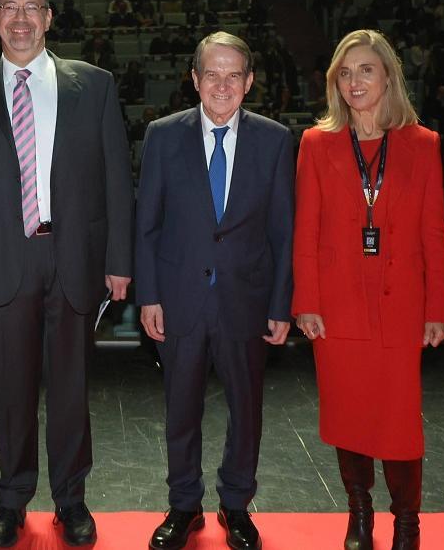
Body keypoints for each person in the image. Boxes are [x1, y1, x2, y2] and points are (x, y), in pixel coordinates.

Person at [0, 0, 134, 548]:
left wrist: (119, 259)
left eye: (33, 8)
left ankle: (71, 498)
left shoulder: (96, 85)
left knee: (71, 388)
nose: (21, 19)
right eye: (10, 8)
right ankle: (10, 498)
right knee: (9, 388)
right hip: (5, 259)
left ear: (50, 18)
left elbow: (115, 178)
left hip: (77, 258)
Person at [292, 30, 444, 550]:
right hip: (335, 309)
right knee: (348, 414)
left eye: (366, 70)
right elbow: (306, 231)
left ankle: (407, 522)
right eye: (345, 71)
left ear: (388, 77)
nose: (355, 81)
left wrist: (438, 308)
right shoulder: (316, 143)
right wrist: (306, 302)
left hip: (401, 307)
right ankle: (359, 516)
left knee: (400, 423)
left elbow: (435, 232)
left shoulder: (423, 143)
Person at [135, 32, 293, 550]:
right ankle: (183, 505)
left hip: (247, 302)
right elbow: (148, 225)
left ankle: (235, 504)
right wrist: (149, 296)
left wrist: (280, 304)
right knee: (181, 408)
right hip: (178, 299)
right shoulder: (162, 135)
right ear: (194, 79)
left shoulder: (275, 140)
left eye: (233, 75)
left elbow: (283, 231)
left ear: (249, 83)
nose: (221, 84)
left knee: (247, 410)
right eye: (211, 73)